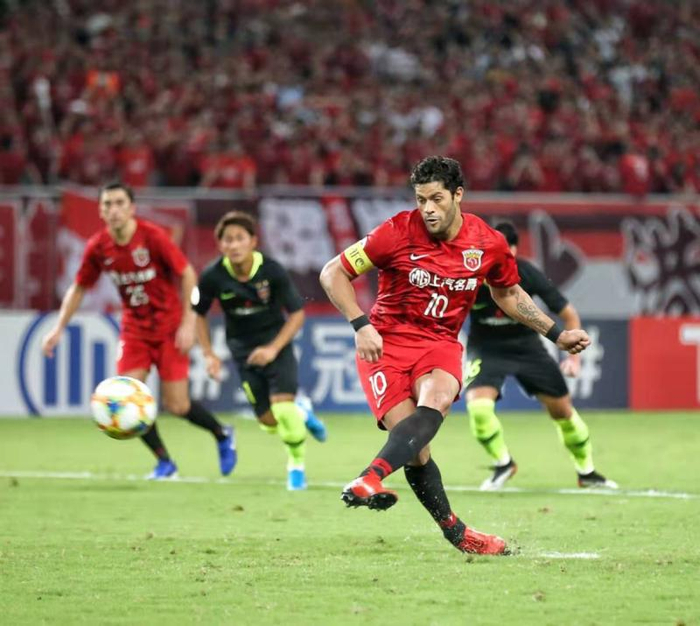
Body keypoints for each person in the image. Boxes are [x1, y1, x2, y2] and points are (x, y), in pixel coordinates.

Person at [319, 156, 591, 556]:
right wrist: (361, 325)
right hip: (385, 345)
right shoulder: (394, 232)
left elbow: (508, 294)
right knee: (415, 450)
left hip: (439, 342)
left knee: (439, 397)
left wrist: (557, 334)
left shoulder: (487, 243)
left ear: (458, 195)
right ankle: (457, 532)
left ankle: (369, 477)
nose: (427, 209)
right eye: (421, 199)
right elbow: (332, 273)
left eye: (436, 199)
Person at [41, 182, 236, 480]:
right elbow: (79, 287)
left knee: (178, 405)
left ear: (132, 208)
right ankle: (165, 462)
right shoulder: (98, 247)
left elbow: (188, 275)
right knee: (127, 396)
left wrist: (188, 322)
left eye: (119, 203)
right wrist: (58, 328)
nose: (114, 210)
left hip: (169, 328)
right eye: (107, 204)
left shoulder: (152, 237)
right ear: (100, 211)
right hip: (135, 331)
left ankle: (222, 433)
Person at [464, 221, 618, 490]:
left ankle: (587, 471)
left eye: (504, 252)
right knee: (478, 408)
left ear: (513, 251)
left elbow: (569, 314)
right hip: (486, 349)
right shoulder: (470, 276)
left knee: (563, 412)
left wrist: (573, 359)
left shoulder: (527, 273)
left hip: (527, 348)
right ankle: (503, 463)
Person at [192, 211, 327, 491]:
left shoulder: (272, 271)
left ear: (253, 241)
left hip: (277, 347)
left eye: (239, 238)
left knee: (283, 409)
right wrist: (208, 354)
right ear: (220, 245)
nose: (234, 245)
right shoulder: (212, 275)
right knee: (268, 422)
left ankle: (296, 467)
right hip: (243, 354)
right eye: (228, 240)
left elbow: (297, 314)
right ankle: (304, 412)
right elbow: (199, 314)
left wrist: (273, 348)